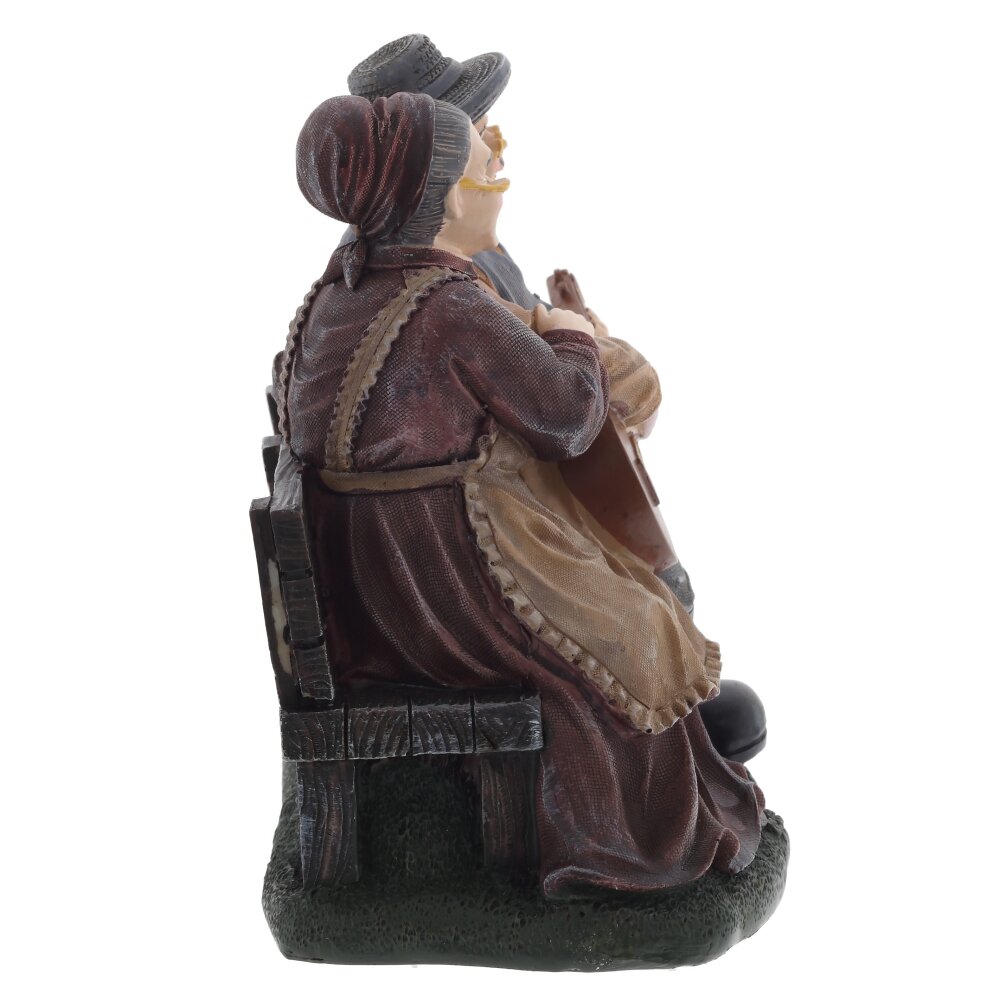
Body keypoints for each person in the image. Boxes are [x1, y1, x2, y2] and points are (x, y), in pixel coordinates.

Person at [275, 92, 765, 897]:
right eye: (484, 171)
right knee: (632, 624)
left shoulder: (339, 290)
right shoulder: (451, 307)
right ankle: (632, 827)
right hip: (432, 579)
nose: (500, 181)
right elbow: (567, 417)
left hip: (372, 575)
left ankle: (676, 749)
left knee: (619, 581)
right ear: (446, 200)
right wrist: (570, 332)